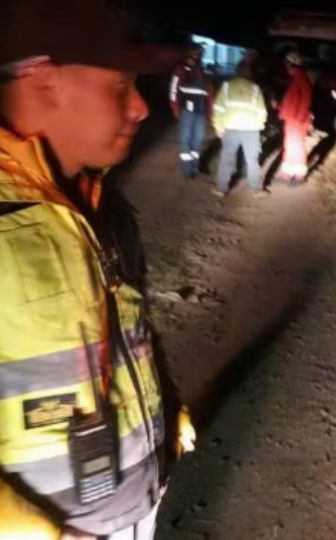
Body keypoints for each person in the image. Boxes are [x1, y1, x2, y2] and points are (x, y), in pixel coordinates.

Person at [0, 1, 195, 538]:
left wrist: (167, 408)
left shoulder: (105, 210)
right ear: (45, 81)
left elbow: (135, 329)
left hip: (137, 507)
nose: (141, 108)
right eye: (121, 84)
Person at [211, 60, 269, 198]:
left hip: (230, 128)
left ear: (236, 71)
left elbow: (218, 108)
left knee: (227, 157)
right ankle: (256, 190)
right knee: (252, 160)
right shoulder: (255, 88)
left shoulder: (226, 86)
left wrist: (218, 126)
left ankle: (221, 188)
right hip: (251, 129)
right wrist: (260, 126)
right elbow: (262, 112)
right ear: (249, 73)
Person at [169, 42, 213, 179]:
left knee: (197, 140)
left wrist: (210, 112)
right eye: (195, 53)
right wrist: (175, 108)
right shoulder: (181, 70)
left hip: (200, 112)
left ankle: (195, 167)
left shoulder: (203, 72)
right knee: (186, 140)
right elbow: (173, 91)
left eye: (199, 53)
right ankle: (188, 170)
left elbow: (209, 94)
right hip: (186, 111)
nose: (197, 56)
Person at [277, 51, 313, 185]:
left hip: (297, 120)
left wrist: (299, 118)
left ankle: (299, 175)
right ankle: (287, 172)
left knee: (296, 146)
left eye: (286, 63)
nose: (285, 66)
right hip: (292, 118)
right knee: (290, 146)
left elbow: (305, 99)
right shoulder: (295, 78)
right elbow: (292, 100)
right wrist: (281, 108)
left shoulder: (301, 78)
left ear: (291, 64)